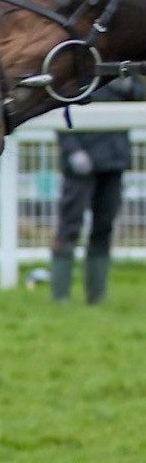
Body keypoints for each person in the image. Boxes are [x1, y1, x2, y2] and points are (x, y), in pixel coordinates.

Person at [52, 76, 143, 304]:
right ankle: (61, 296)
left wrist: (129, 86)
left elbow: (140, 97)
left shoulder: (120, 72)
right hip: (81, 161)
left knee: (104, 228)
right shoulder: (78, 72)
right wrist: (72, 150)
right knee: (69, 226)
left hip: (113, 159)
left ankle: (97, 296)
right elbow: (61, 111)